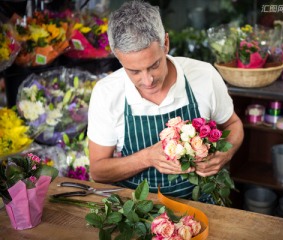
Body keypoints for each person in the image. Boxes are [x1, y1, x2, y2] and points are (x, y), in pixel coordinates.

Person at [87, 0, 244, 200]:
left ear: (166, 44)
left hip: (204, 205)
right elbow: (99, 171)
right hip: (137, 213)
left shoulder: (204, 76)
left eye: (154, 65)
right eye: (134, 71)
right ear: (118, 58)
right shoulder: (106, 93)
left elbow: (233, 123)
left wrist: (225, 154)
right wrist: (146, 158)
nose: (147, 80)